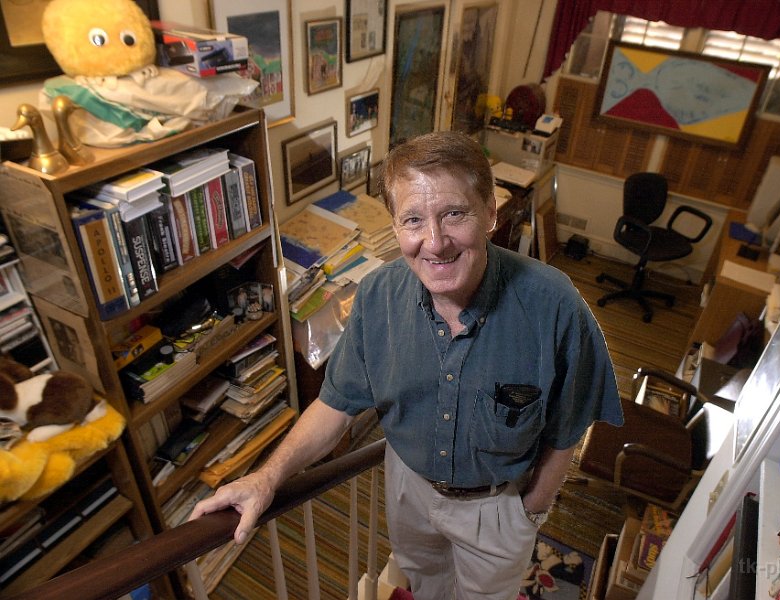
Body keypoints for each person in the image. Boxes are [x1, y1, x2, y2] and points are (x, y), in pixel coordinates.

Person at [190, 131, 623, 599]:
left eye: (454, 214)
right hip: (408, 492)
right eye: (413, 219)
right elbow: (335, 406)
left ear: (490, 213)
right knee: (426, 587)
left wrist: (531, 510)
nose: (434, 243)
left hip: (497, 506)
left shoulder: (555, 304)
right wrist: (266, 477)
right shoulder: (376, 296)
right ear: (396, 226)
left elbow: (569, 423)